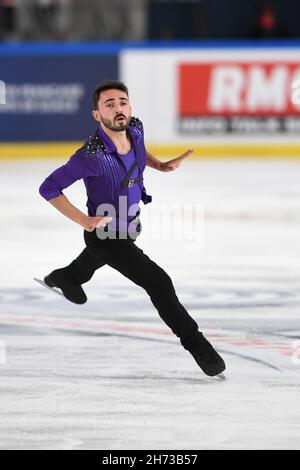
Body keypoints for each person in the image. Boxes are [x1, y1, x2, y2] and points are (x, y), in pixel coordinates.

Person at [39, 80, 225, 377]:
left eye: (122, 102)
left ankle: (66, 277)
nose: (118, 109)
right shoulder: (90, 156)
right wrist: (83, 220)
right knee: (159, 283)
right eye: (109, 104)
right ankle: (197, 344)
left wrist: (160, 165)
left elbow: (138, 151)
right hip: (105, 234)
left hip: (129, 225)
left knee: (90, 262)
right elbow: (49, 187)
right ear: (96, 115)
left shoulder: (135, 129)